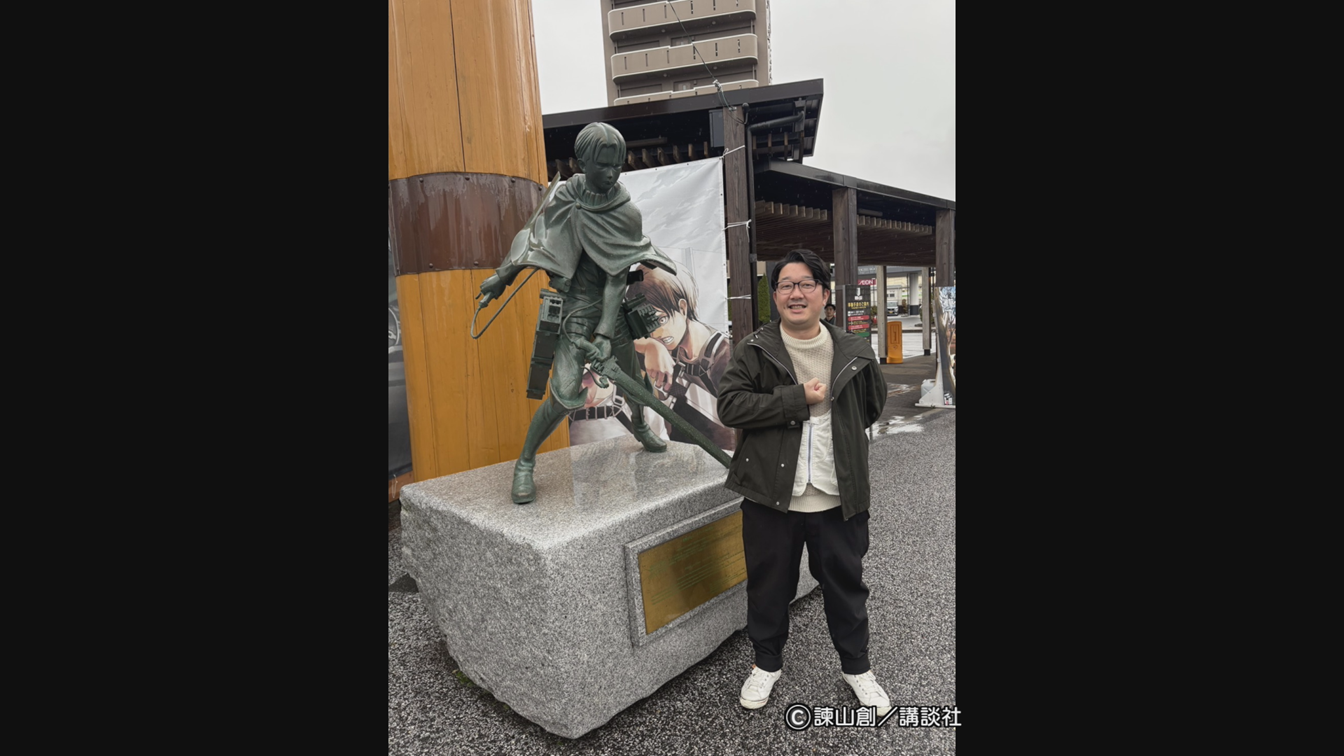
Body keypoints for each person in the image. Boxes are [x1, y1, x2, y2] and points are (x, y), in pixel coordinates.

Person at [716, 248, 891, 715]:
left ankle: (857, 668)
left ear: (825, 294)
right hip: (771, 498)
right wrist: (795, 399)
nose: (796, 293)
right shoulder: (755, 348)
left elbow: (871, 406)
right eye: (786, 285)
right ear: (775, 296)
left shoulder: (855, 350)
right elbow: (730, 406)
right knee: (768, 587)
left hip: (838, 496)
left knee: (846, 586)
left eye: (806, 284)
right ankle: (766, 664)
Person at [479, 122, 678, 504]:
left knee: (634, 383)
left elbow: (616, 280)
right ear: (583, 162)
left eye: (618, 165)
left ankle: (640, 425)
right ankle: (525, 462)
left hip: (611, 310)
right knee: (563, 393)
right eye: (603, 165)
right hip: (574, 310)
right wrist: (502, 278)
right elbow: (534, 241)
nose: (612, 173)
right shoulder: (566, 198)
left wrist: (604, 336)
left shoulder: (626, 213)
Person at [625, 264, 736, 450]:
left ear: (682, 308)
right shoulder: (660, 348)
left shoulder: (725, 356)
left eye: (661, 319)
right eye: (648, 324)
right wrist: (649, 346)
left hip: (724, 458)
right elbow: (609, 343)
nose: (656, 333)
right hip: (679, 456)